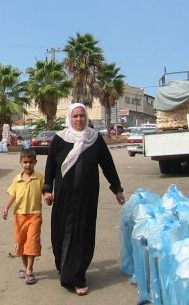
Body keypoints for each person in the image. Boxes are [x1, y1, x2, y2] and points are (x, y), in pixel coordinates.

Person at [43, 103, 125, 296]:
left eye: (82, 116)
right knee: (60, 233)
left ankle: (77, 276)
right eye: (75, 116)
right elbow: (50, 167)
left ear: (86, 118)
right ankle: (63, 266)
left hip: (87, 197)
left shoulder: (94, 140)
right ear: (70, 118)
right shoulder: (60, 139)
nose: (79, 119)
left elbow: (108, 165)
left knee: (82, 235)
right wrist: (48, 189)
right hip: (64, 196)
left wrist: (117, 189)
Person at [2, 148, 44, 286]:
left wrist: (49, 197)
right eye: (25, 162)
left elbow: (46, 192)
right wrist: (6, 208)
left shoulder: (39, 178)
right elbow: (12, 195)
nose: (28, 165)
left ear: (35, 162)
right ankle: (25, 267)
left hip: (35, 215)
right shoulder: (17, 179)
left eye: (31, 162)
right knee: (21, 242)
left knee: (31, 242)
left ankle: (30, 270)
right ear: (20, 162)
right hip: (19, 216)